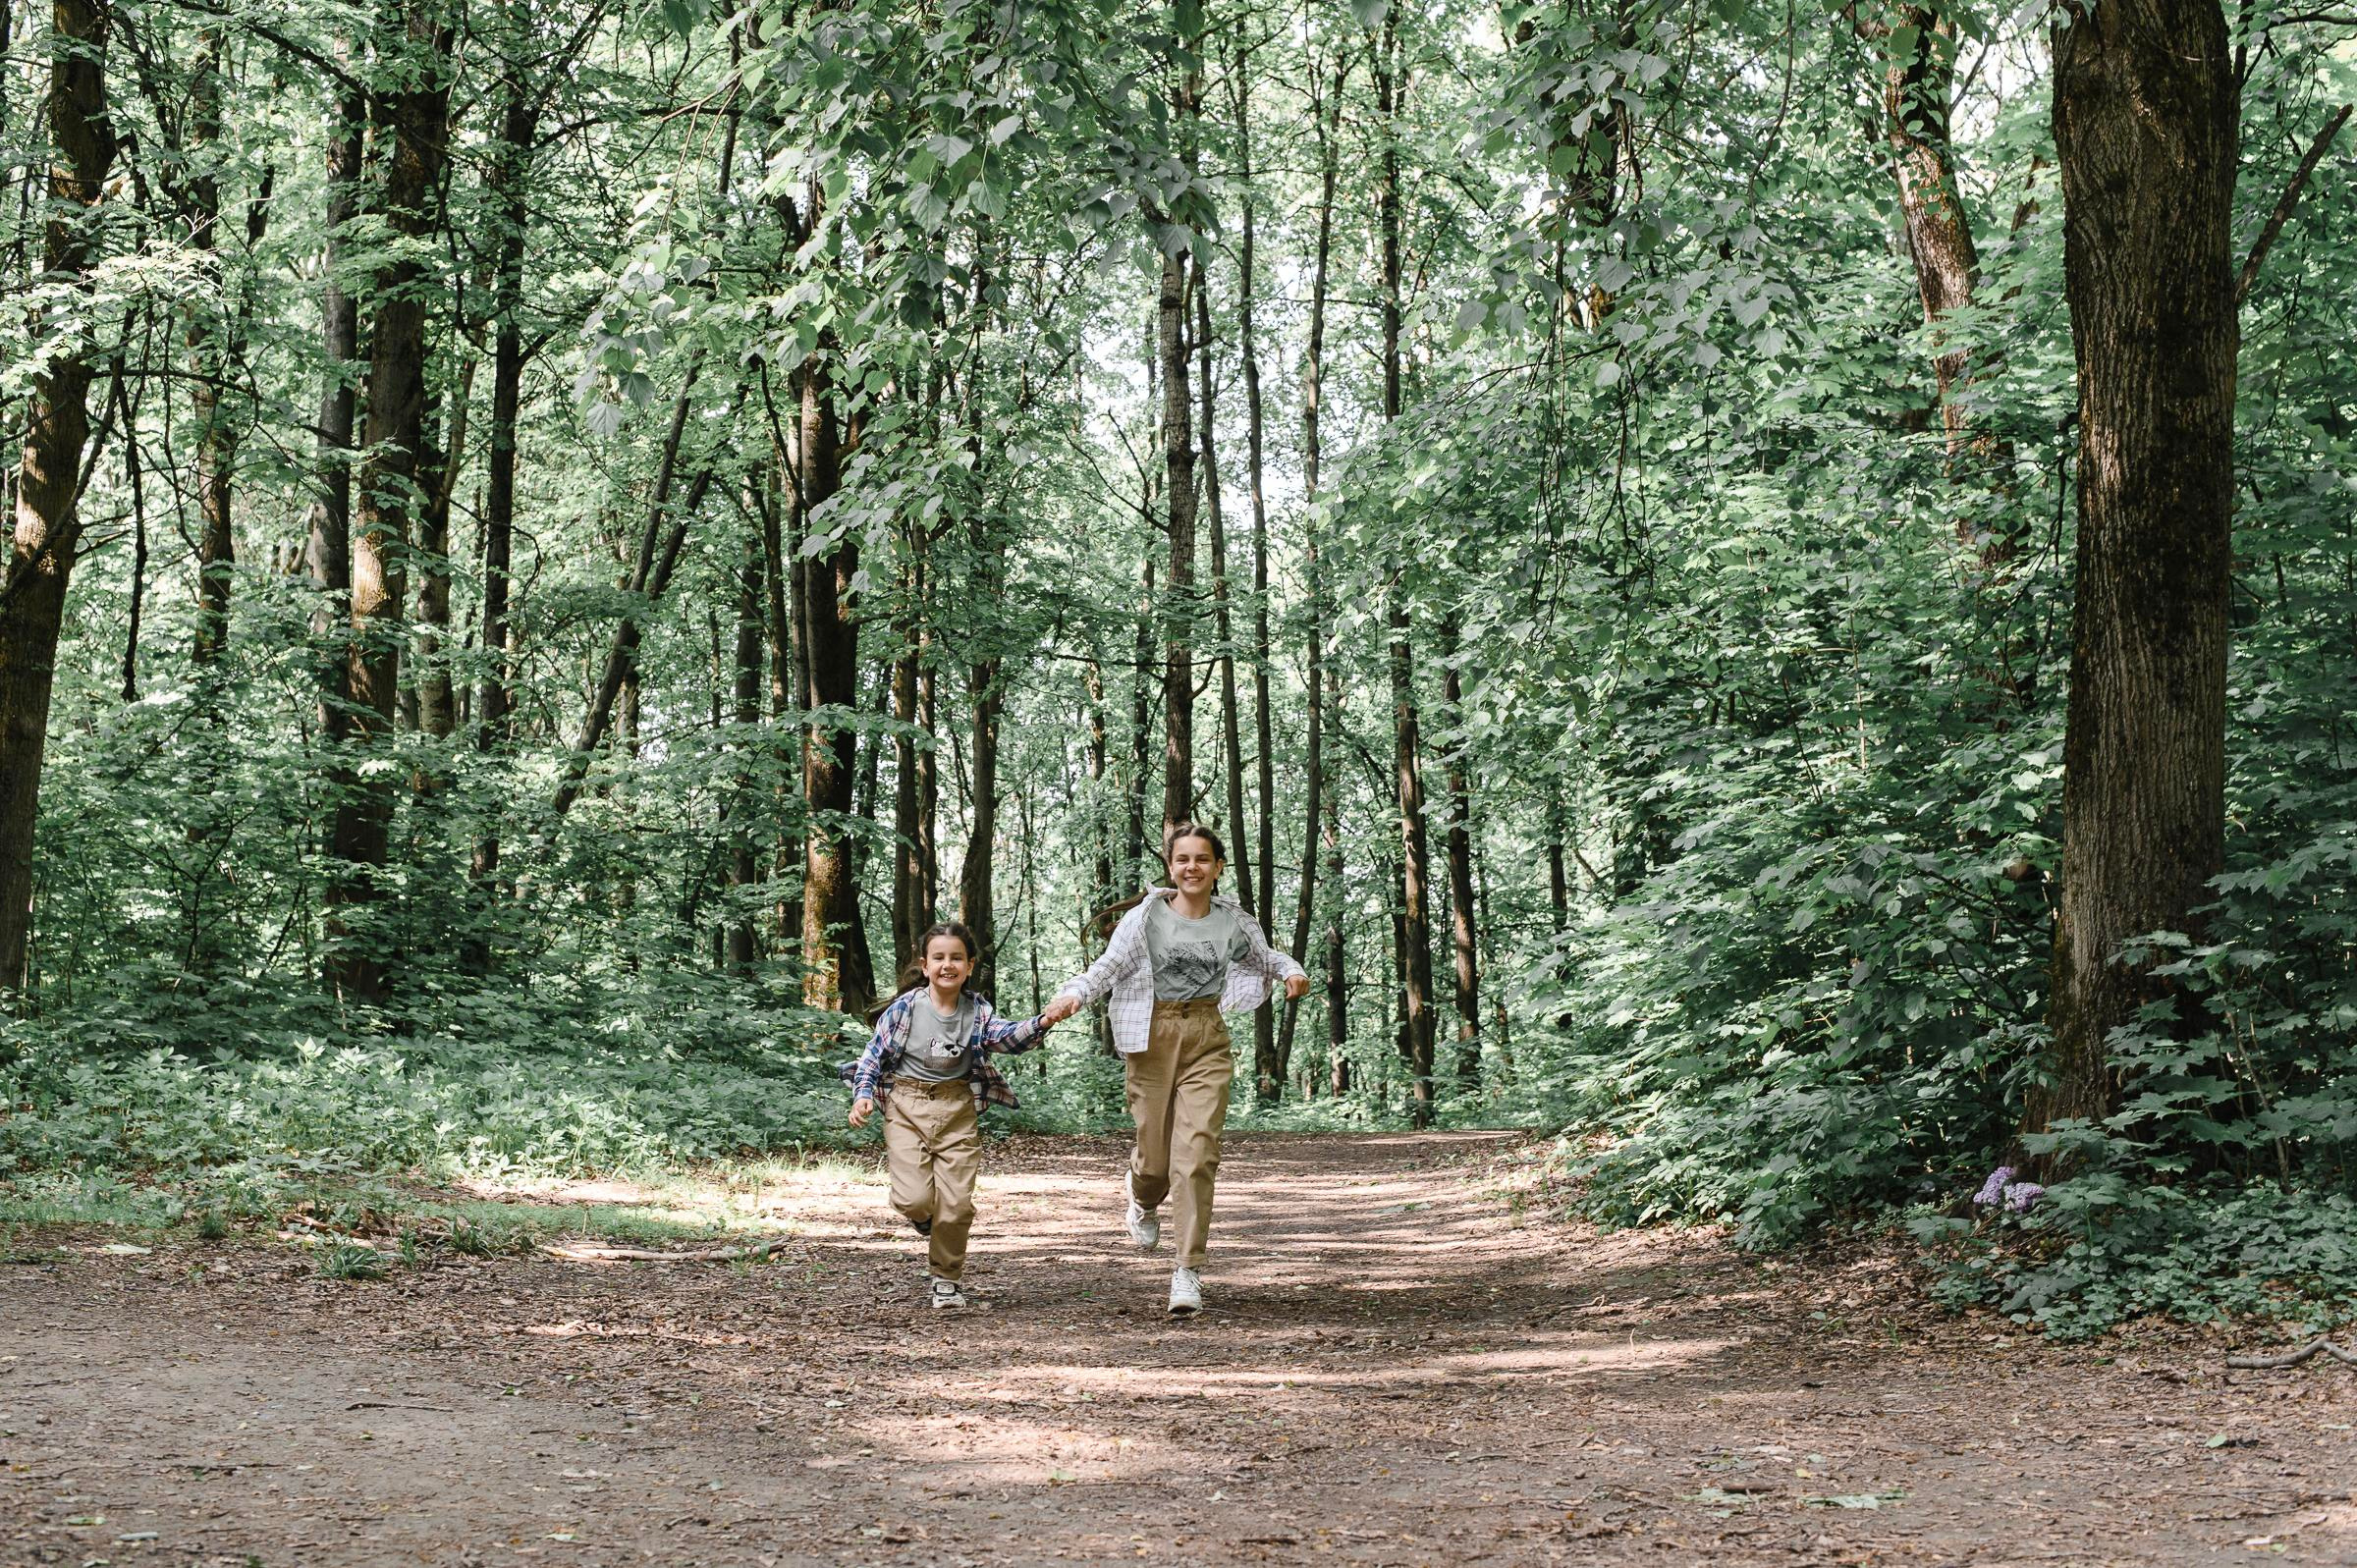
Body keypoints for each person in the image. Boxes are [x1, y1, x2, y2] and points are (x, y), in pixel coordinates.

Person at [1041, 823, 1308, 1316]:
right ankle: (1141, 1197)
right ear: (1171, 866)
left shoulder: (1232, 921)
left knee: (1198, 1154)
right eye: (1183, 859)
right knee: (1156, 1161)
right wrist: (1073, 995)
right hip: (1151, 1037)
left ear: (1218, 867)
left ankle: (1187, 1270)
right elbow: (1109, 966)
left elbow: (1263, 958)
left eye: (1202, 859)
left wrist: (1290, 970)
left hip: (1206, 1036)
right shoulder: (1146, 919)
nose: (1192, 868)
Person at [848, 921, 1054, 1309]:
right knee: (914, 1200)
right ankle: (925, 1220)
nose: (947, 965)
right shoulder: (905, 1010)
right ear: (924, 966)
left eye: (956, 958)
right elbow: (873, 1055)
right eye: (939, 957)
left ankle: (947, 1279)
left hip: (958, 1109)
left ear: (970, 965)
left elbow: (1007, 1037)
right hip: (907, 1108)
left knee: (957, 1205)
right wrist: (863, 1095)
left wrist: (1043, 1021)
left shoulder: (977, 1012)